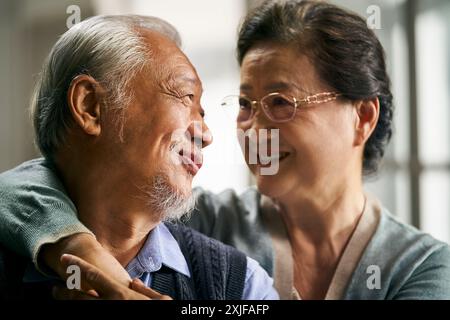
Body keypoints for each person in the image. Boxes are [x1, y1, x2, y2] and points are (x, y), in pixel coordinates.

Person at [2, 0, 450, 300]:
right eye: (243, 104)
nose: (250, 127)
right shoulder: (205, 217)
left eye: (280, 103)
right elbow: (27, 183)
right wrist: (88, 256)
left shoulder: (421, 267)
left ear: (363, 118)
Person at [0, 14, 278, 300]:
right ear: (90, 106)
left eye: (202, 112)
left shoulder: (243, 285)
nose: (206, 136)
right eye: (185, 96)